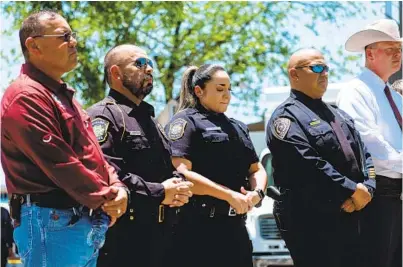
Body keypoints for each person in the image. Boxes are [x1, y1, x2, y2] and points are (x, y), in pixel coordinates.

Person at [0, 11, 128, 267]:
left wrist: (118, 187)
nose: (74, 42)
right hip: (51, 222)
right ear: (33, 45)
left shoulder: (63, 96)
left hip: (75, 222)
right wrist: (107, 196)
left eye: (73, 35)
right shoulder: (26, 96)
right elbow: (60, 163)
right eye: (64, 36)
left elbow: (94, 155)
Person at [86, 44, 193, 267]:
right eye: (140, 64)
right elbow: (106, 172)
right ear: (115, 73)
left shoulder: (151, 120)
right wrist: (160, 192)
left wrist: (180, 186)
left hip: (165, 237)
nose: (149, 69)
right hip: (126, 239)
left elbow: (164, 169)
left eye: (151, 64)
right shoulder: (104, 116)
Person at [267, 48, 375, 267]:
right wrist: (351, 190)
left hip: (353, 211)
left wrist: (368, 188)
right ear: (294, 75)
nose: (324, 73)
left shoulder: (338, 113)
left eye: (326, 68)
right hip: (311, 218)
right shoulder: (286, 118)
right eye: (316, 67)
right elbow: (307, 164)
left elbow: (365, 155)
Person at [164, 64, 268, 267]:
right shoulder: (184, 123)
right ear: (198, 91)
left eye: (229, 89)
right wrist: (229, 195)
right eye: (220, 89)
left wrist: (257, 193)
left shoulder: (238, 127)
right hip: (196, 231)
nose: (227, 95)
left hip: (235, 229)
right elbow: (181, 173)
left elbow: (256, 169)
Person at [337, 19, 402, 267]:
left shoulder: (393, 96)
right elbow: (368, 144)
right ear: (370, 53)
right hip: (378, 193)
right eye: (390, 49)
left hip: (395, 195)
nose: (397, 55)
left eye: (399, 50)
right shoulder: (356, 90)